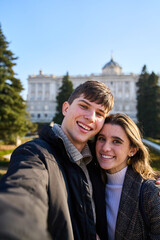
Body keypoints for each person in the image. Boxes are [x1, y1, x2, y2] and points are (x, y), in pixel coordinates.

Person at [0, 80, 114, 240]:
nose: (90, 117)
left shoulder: (97, 162)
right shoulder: (34, 154)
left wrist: (150, 188)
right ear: (66, 108)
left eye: (100, 114)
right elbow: (23, 196)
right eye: (84, 106)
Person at [91, 113, 160, 240]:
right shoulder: (89, 184)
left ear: (132, 150)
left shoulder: (151, 193)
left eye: (116, 141)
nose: (105, 148)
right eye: (101, 138)